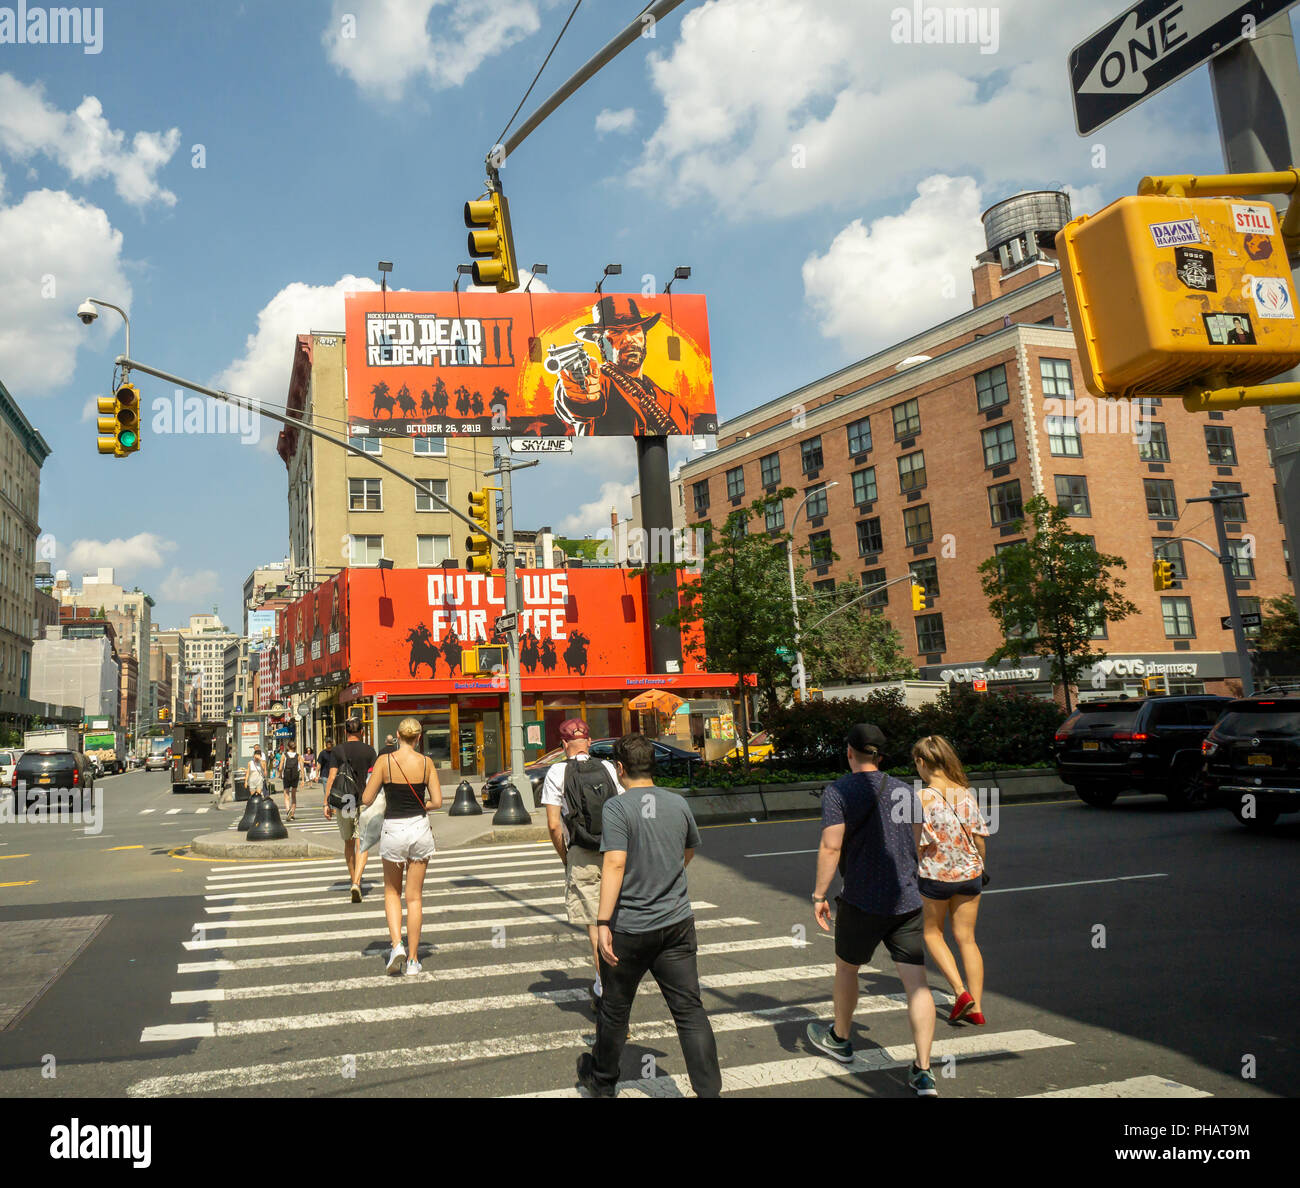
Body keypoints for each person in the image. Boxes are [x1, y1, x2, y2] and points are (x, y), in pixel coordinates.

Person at [575, 733, 721, 1098]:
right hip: (676, 923)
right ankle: (709, 1091)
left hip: (630, 926)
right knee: (689, 1010)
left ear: (620, 768)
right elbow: (687, 853)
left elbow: (615, 863)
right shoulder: (676, 803)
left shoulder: (617, 808)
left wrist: (604, 922)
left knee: (615, 1009)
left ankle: (603, 1082)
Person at [807, 723, 938, 1097]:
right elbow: (914, 844)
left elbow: (831, 848)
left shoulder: (839, 791)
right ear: (880, 756)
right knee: (917, 983)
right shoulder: (904, 790)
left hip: (861, 900)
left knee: (848, 968)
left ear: (850, 752)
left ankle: (842, 1038)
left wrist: (819, 895)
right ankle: (924, 1070)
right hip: (907, 901)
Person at [541, 718, 623, 1011]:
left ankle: (605, 989)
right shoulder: (610, 768)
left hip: (582, 852)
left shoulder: (557, 771)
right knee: (616, 919)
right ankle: (617, 986)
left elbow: (553, 825)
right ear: (589, 741)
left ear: (563, 745)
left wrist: (566, 856)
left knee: (595, 923)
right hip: (615, 851)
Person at [913, 735, 989, 1026]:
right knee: (967, 939)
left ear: (922, 762)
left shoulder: (921, 798)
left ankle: (960, 992)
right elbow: (980, 838)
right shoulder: (966, 793)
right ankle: (977, 1006)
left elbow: (918, 844)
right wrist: (980, 867)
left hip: (936, 876)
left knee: (933, 933)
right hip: (970, 873)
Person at [360, 717, 442, 975]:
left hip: (393, 828)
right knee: (414, 897)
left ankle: (397, 945)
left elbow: (366, 798)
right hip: (419, 827)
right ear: (419, 737)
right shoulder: (427, 763)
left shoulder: (384, 761)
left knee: (392, 892)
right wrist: (420, 806)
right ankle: (414, 960)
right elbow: (437, 801)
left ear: (397, 735)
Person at [553, 296, 702, 436]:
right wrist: (579, 396)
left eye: (634, 330)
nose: (628, 339)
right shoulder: (600, 380)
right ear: (601, 345)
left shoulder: (674, 404)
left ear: (644, 337)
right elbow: (577, 401)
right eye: (616, 332)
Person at [324, 718, 377, 903]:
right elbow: (373, 778)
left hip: (346, 801)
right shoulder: (370, 751)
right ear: (361, 731)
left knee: (348, 842)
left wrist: (326, 803)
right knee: (362, 843)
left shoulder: (338, 750)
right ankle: (357, 881)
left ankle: (353, 878)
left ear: (345, 732)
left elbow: (331, 777)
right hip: (364, 800)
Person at [281, 743, 301, 822]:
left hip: (286, 776)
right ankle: (292, 814)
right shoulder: (298, 756)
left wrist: (279, 774)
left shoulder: (284, 755)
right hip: (295, 776)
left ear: (288, 747)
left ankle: (288, 811)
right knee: (293, 795)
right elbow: (301, 768)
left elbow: (280, 766)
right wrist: (303, 779)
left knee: (286, 795)